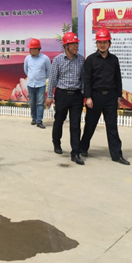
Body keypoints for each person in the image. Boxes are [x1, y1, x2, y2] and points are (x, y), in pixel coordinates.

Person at [80, 28, 129, 165]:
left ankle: (117, 155)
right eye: (100, 42)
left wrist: (118, 96)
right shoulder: (90, 60)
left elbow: (118, 79)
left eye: (105, 42)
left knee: (112, 127)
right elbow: (87, 80)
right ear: (96, 43)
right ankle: (83, 148)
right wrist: (88, 97)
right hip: (95, 97)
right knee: (90, 125)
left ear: (109, 43)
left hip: (111, 97)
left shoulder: (114, 60)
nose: (102, 45)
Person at [45, 32, 85, 165]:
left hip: (76, 95)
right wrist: (50, 96)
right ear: (66, 46)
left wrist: (84, 94)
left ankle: (75, 153)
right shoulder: (58, 60)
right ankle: (56, 143)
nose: (75, 46)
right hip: (62, 94)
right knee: (59, 120)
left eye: (76, 44)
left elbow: (83, 79)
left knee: (75, 124)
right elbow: (52, 79)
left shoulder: (81, 59)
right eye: (73, 44)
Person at [23, 38, 51, 129]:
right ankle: (34, 118)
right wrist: (32, 77)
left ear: (37, 49)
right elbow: (26, 70)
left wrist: (41, 78)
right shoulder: (27, 58)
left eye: (31, 48)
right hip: (30, 84)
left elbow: (49, 71)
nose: (29, 50)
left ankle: (39, 121)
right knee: (32, 102)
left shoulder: (45, 58)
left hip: (41, 85)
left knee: (40, 103)